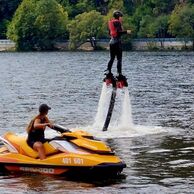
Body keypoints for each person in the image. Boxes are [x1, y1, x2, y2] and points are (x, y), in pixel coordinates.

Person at [105, 10, 131, 78]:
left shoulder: (111, 22)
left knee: (112, 58)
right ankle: (119, 73)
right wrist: (126, 32)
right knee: (119, 59)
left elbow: (109, 33)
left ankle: (108, 71)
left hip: (111, 42)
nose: (121, 18)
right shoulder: (118, 22)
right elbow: (119, 32)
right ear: (118, 17)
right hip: (117, 42)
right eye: (121, 17)